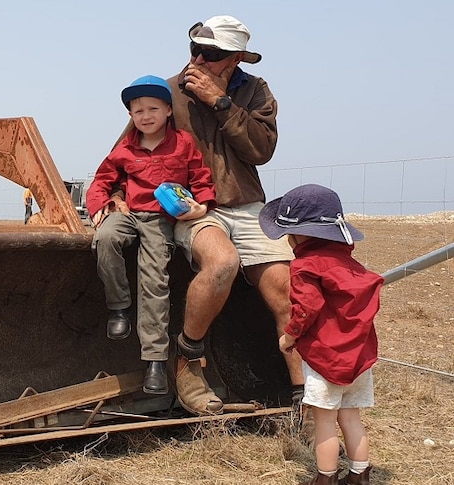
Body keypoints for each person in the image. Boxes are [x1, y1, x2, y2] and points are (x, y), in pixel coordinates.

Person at [109, 14, 304, 416]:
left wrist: (221, 103)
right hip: (196, 206)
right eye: (194, 49)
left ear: (235, 59)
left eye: (211, 53)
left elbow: (260, 151)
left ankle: (305, 395)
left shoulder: (255, 94)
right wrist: (113, 194)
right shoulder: (167, 92)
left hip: (247, 204)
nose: (198, 59)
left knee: (287, 291)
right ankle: (188, 359)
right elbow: (127, 148)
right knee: (221, 264)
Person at [86, 75, 216, 394]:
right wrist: (100, 206)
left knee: (155, 279)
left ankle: (155, 360)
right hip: (129, 214)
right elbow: (101, 181)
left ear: (168, 110)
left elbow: (201, 179)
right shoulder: (124, 149)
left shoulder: (184, 144)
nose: (145, 116)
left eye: (152, 108)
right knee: (105, 238)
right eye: (138, 111)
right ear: (130, 115)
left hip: (161, 219)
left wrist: (202, 207)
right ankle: (119, 307)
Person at [259, 184, 381, 485]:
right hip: (358, 357)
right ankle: (359, 474)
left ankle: (325, 477)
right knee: (351, 418)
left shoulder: (306, 266)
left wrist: (289, 337)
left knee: (325, 421)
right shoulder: (350, 265)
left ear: (302, 234)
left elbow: (306, 307)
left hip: (326, 358)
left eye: (289, 233)